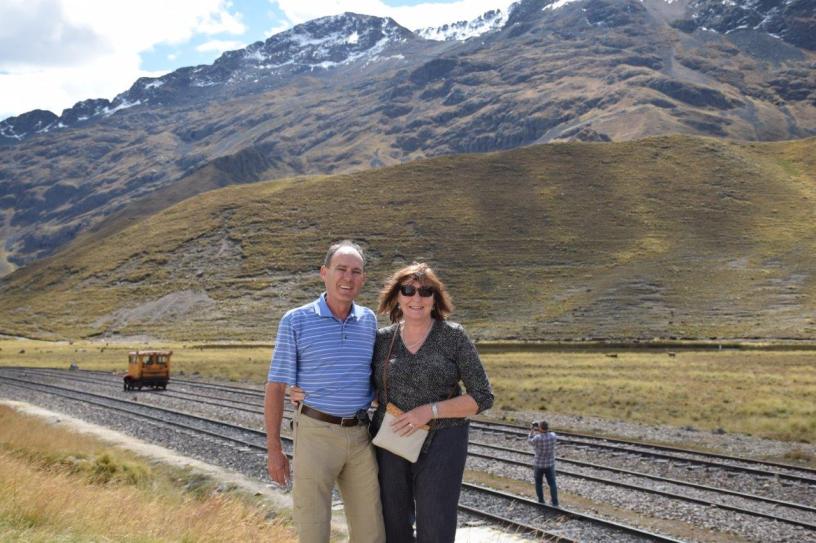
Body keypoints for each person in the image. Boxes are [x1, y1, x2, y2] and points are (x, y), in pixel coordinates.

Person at [264, 240, 385, 543]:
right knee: (313, 529)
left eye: (356, 272)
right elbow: (276, 387)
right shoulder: (296, 320)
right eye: (341, 269)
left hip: (360, 435)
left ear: (363, 279)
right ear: (324, 273)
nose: (348, 278)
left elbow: (369, 375)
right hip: (315, 434)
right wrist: (274, 449)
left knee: (371, 532)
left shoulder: (368, 320)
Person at [370, 262, 494, 543]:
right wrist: (306, 390)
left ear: (435, 298)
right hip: (391, 441)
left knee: (435, 528)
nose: (417, 298)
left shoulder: (453, 336)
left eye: (426, 291)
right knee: (393, 527)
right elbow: (359, 382)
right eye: (408, 290)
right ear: (397, 296)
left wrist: (429, 411)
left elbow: (482, 396)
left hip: (443, 442)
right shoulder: (382, 339)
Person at [528, 420, 559, 507]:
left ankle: (541, 500)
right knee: (552, 483)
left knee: (538, 483)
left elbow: (529, 441)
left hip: (539, 464)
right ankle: (555, 502)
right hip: (550, 463)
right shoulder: (553, 436)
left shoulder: (537, 438)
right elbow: (551, 433)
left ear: (540, 428)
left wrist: (532, 430)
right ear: (547, 427)